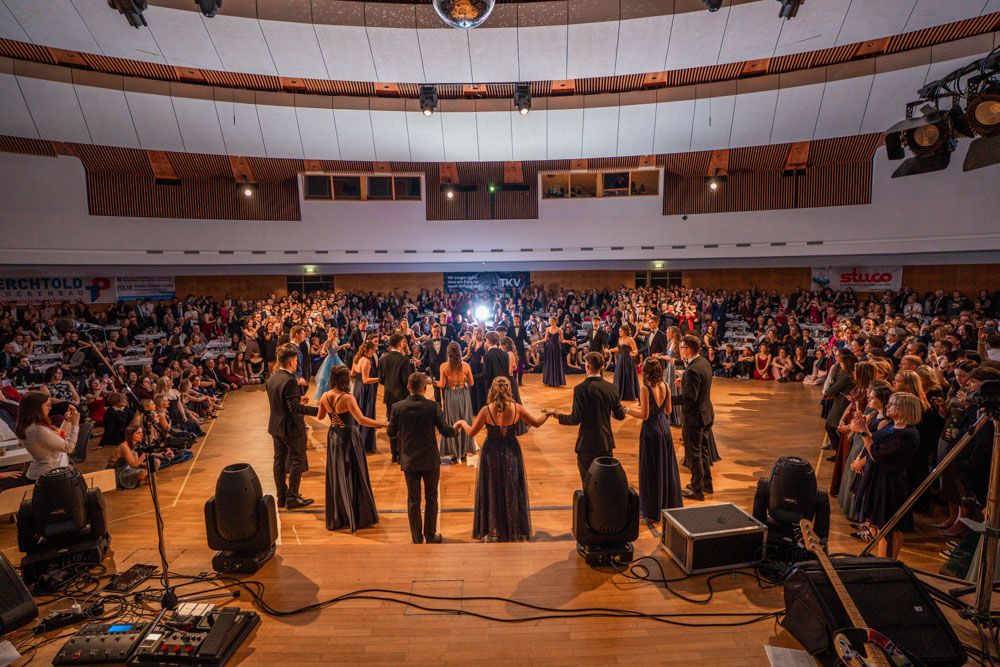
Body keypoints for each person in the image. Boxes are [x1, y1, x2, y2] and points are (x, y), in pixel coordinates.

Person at [455, 376, 549, 542]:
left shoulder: (486, 410)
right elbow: (536, 423)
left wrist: (462, 422)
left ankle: (495, 528)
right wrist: (548, 414)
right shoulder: (517, 408)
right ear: (509, 389)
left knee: (493, 487)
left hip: (491, 452)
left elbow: (471, 433)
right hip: (512, 450)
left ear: (493, 390)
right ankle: (512, 527)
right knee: (511, 488)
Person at [849, 392, 921, 558]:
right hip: (878, 478)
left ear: (905, 409)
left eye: (892, 404)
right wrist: (863, 427)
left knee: (889, 528)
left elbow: (878, 454)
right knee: (878, 526)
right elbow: (875, 445)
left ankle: (887, 562)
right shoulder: (892, 426)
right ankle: (882, 560)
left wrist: (864, 431)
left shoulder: (907, 434)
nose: (888, 406)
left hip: (890, 483)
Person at [389, 372, 459, 544]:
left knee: (413, 500)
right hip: (429, 458)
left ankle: (416, 537)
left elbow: (391, 433)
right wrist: (457, 428)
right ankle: (430, 535)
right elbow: (445, 431)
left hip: (409, 458)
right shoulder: (433, 406)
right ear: (425, 388)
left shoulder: (398, 407)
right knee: (431, 498)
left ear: (408, 387)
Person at [317, 366, 385, 532]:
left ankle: (340, 515)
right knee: (353, 473)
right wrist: (383, 424)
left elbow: (319, 416)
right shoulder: (347, 398)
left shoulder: (324, 396)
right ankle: (357, 514)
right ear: (345, 379)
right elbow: (361, 420)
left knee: (337, 473)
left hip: (333, 437)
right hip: (349, 437)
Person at [552, 352, 627, 485]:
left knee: (588, 484)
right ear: (602, 367)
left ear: (587, 367)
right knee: (604, 484)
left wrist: (559, 416)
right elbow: (620, 415)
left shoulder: (580, 389)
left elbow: (575, 419)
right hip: (605, 443)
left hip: (586, 443)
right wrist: (624, 409)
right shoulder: (612, 388)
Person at [626, 358, 682, 522]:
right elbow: (669, 410)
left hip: (651, 431)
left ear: (646, 371)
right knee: (665, 467)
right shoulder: (665, 385)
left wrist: (628, 410)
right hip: (664, 429)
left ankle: (651, 509)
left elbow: (644, 415)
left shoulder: (645, 389)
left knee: (650, 470)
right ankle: (666, 504)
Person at [265, 343, 318, 510]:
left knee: (279, 461)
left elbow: (281, 401)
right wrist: (318, 410)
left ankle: (282, 497)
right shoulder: (290, 381)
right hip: (291, 428)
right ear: (291, 362)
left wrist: (297, 400)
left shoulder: (273, 377)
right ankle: (293, 497)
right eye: (296, 361)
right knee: (297, 460)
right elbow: (294, 409)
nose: (297, 364)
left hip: (275, 426)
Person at [673, 335, 715, 501]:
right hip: (706, 414)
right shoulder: (703, 362)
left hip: (695, 418)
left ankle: (697, 489)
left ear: (688, 349)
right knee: (703, 450)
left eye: (682, 347)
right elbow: (699, 385)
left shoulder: (692, 370)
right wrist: (684, 381)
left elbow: (689, 398)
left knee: (694, 454)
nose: (680, 350)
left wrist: (667, 400)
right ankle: (707, 484)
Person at [15, 391, 81, 482]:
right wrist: (75, 424)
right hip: (50, 476)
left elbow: (58, 439)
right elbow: (68, 447)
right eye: (47, 405)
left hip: (44, 473)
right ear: (36, 408)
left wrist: (67, 420)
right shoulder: (38, 431)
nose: (50, 408)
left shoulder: (29, 426)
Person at [437, 342, 475, 462]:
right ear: (459, 352)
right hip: (464, 395)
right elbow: (471, 383)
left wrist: (431, 382)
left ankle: (454, 452)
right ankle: (463, 452)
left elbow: (441, 385)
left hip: (451, 395)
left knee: (452, 421)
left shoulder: (444, 366)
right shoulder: (466, 366)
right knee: (464, 420)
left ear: (448, 353)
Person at [379, 334, 411, 463]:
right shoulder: (404, 360)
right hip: (402, 396)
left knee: (392, 425)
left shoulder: (382, 359)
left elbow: (381, 380)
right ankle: (401, 454)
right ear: (399, 344)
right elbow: (406, 381)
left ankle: (394, 454)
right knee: (403, 426)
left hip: (389, 396)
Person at [351, 340, 380, 453]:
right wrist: (380, 379)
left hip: (357, 389)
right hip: (365, 389)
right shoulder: (366, 361)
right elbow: (366, 380)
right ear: (369, 350)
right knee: (366, 413)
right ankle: (363, 444)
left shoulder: (357, 359)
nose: (374, 352)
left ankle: (356, 441)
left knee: (358, 413)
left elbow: (352, 373)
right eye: (373, 350)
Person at [314, 327, 345, 400]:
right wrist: (323, 353)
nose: (336, 336)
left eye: (336, 334)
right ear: (331, 334)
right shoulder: (327, 342)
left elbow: (336, 349)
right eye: (335, 334)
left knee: (338, 376)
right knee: (328, 377)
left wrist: (343, 345)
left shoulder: (335, 341)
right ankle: (327, 395)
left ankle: (336, 394)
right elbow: (322, 351)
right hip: (330, 360)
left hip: (336, 359)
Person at [611, 324, 639, 401]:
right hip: (620, 359)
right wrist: (610, 350)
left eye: (621, 331)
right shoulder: (619, 339)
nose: (619, 332)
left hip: (628, 360)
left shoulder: (630, 339)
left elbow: (635, 350)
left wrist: (634, 353)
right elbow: (618, 348)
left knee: (627, 376)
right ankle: (619, 393)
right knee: (619, 375)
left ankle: (628, 395)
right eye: (619, 331)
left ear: (625, 331)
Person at [537, 316, 568, 387]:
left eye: (552, 320)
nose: (551, 322)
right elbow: (545, 340)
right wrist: (537, 342)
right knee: (549, 363)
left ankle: (556, 381)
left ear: (555, 321)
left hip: (556, 348)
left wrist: (569, 341)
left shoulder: (559, 329)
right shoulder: (547, 329)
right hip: (549, 348)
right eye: (550, 321)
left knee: (556, 363)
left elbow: (562, 340)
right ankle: (549, 380)